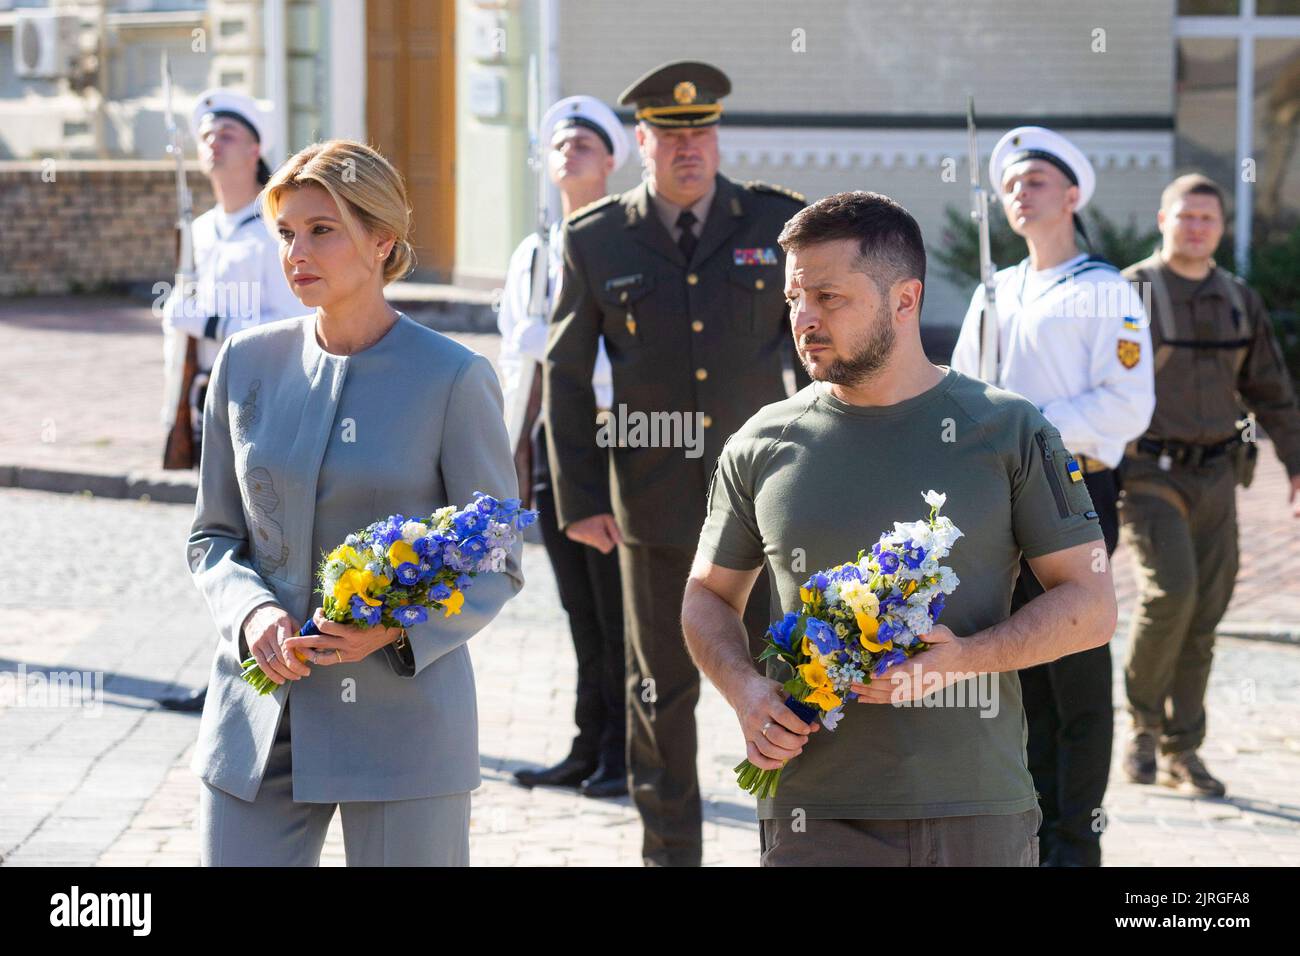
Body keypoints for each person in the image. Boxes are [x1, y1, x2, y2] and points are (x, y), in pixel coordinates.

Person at [682, 191, 1118, 867]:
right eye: (795, 297)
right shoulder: (760, 442)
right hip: (813, 815)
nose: (805, 319)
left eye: (829, 297)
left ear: (905, 300)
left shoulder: (1010, 429)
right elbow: (706, 597)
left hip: (977, 811)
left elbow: (1091, 607)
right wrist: (746, 692)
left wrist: (966, 659)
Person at [186, 139, 523, 865]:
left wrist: (395, 633)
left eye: (321, 229)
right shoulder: (245, 364)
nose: (295, 252)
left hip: (404, 728)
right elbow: (212, 537)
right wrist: (253, 613)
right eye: (285, 233)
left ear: (382, 241)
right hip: (258, 718)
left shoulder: (454, 378)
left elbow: (496, 559)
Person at [543, 59, 808, 866]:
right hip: (651, 505)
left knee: (784, 690)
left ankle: (789, 848)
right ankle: (669, 857)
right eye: (670, 134)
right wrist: (580, 497)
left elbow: (818, 354)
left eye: (702, 132)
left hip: (767, 506)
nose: (688, 148)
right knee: (660, 690)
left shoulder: (780, 224)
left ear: (717, 138)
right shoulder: (596, 238)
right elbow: (563, 369)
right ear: (643, 142)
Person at [950, 126, 1154, 866]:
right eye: (1010, 183)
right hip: (996, 500)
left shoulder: (1107, 291)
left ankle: (1077, 838)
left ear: (1070, 196)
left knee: (1076, 674)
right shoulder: (993, 290)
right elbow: (963, 394)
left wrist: (1024, 430)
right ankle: (1029, 827)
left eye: (1035, 180)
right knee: (1020, 668)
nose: (1019, 191)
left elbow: (1127, 406)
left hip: (1073, 493)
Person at [1119, 173, 1300, 798]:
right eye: (1186, 216)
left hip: (1219, 475)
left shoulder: (1238, 299)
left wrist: (1297, 462)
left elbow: (1271, 388)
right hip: (1147, 473)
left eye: (1208, 219)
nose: (1197, 228)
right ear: (1163, 219)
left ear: (1220, 229)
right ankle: (1143, 729)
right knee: (1172, 593)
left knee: (1205, 615)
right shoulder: (1129, 292)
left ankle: (1182, 750)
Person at [501, 95, 629, 798]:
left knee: (618, 608)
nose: (570, 151)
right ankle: (588, 744)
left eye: (585, 143)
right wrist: (515, 448)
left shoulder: (626, 241)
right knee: (578, 606)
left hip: (612, 438)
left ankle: (626, 751)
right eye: (560, 143)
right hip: (555, 438)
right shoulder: (532, 254)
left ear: (611, 161)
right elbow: (520, 366)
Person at [160, 89, 300, 713]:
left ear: (256, 148)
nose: (214, 145)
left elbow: (290, 320)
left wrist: (209, 321)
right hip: (206, 397)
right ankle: (230, 664)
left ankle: (267, 656)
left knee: (260, 534)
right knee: (216, 535)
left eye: (228, 136)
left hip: (260, 398)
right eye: (208, 135)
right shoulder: (199, 230)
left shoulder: (273, 229)